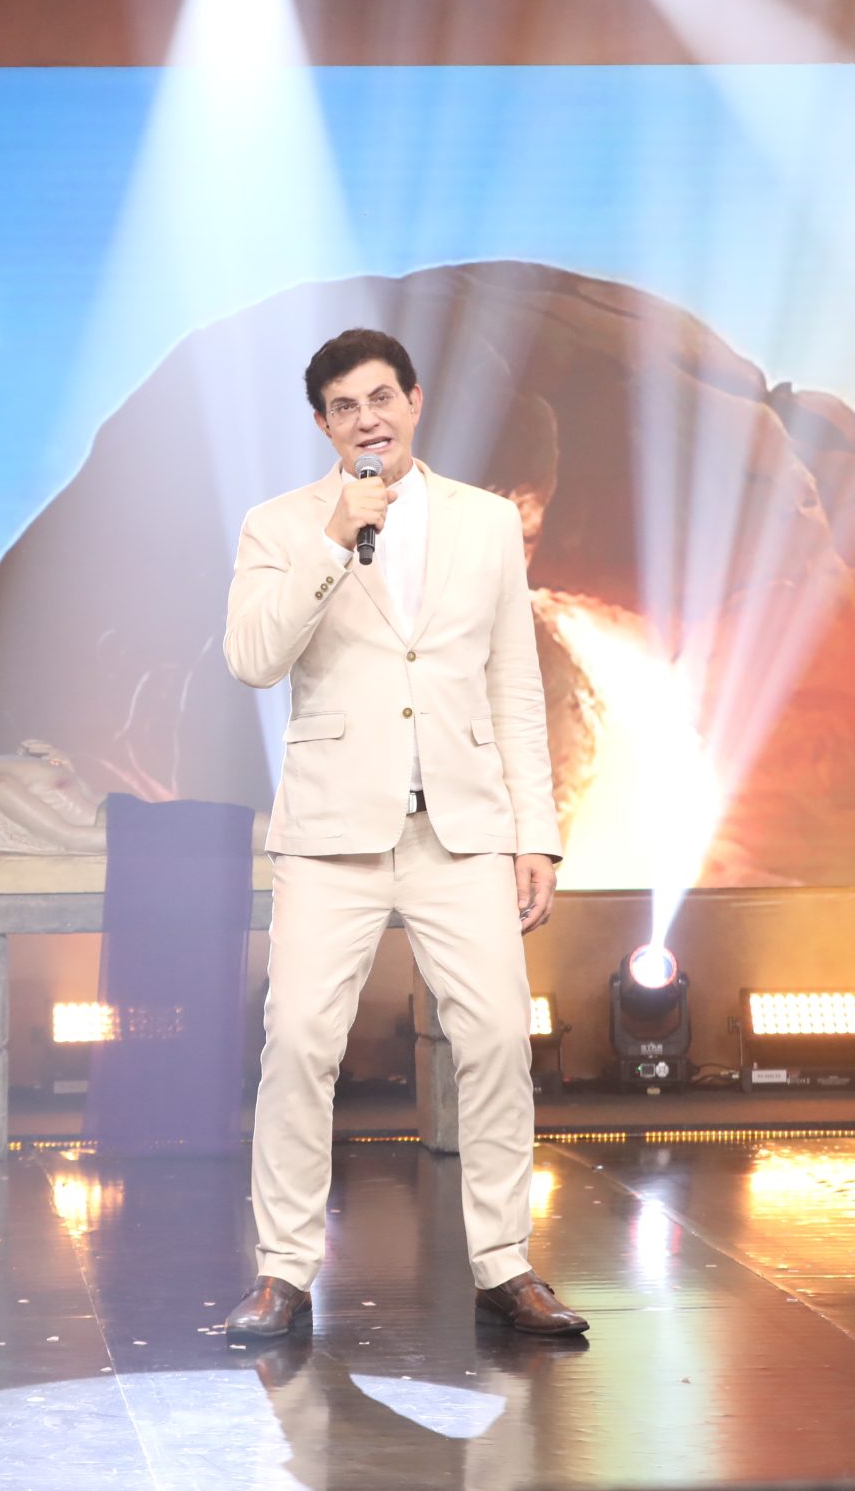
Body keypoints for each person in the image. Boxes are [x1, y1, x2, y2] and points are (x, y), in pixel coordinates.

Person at [221, 328, 585, 1341]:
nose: (367, 419)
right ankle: (283, 1271)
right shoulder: (282, 524)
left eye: (380, 397)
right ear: (323, 424)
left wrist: (536, 833)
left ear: (414, 401)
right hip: (332, 827)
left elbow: (514, 684)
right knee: (299, 1041)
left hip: (460, 825)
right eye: (344, 407)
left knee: (498, 1038)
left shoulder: (484, 522)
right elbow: (252, 657)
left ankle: (504, 1265)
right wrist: (335, 540)